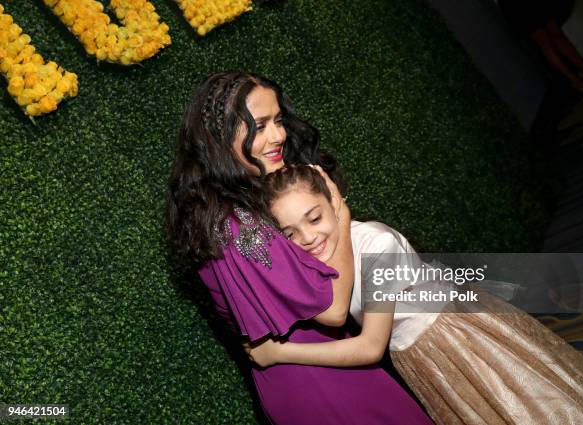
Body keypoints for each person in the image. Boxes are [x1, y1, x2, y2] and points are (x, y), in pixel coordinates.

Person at [246, 164, 583, 425]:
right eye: (291, 234)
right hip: (424, 357)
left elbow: (371, 346)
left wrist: (279, 352)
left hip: (456, 342)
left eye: (315, 218)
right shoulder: (323, 260)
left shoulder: (376, 244)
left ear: (336, 203)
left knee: (532, 410)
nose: (309, 239)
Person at [165, 71, 433, 425]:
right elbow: (334, 308)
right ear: (220, 137)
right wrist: (338, 213)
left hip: (306, 375)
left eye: (277, 120)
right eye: (259, 125)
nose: (278, 135)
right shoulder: (237, 223)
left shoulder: (222, 211)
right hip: (326, 385)